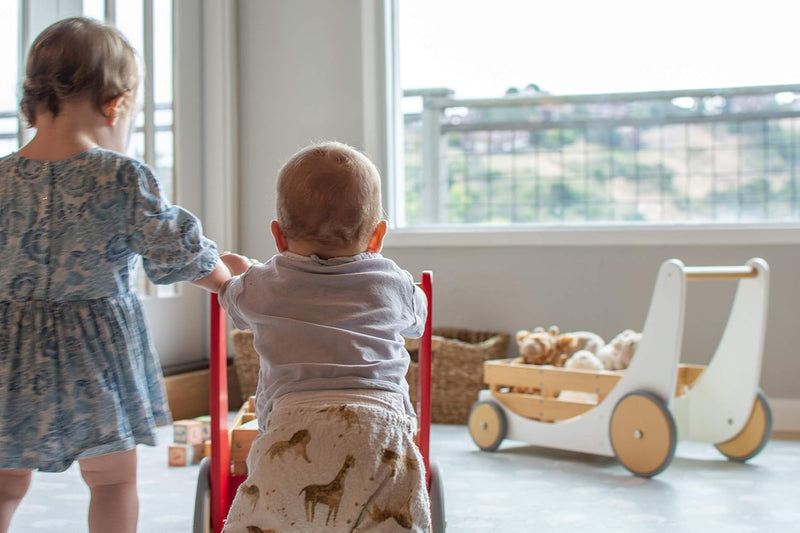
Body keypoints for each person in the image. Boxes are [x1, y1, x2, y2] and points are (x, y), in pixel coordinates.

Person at [0, 17, 238, 533]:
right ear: (115, 104)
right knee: (111, 481)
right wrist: (228, 279)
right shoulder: (120, 175)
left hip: (8, 356)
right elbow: (175, 247)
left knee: (4, 481)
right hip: (95, 359)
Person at [218, 141, 432, 532]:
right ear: (377, 236)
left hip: (292, 423)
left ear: (278, 237)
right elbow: (418, 321)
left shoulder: (264, 283)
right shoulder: (392, 282)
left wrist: (236, 272)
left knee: (270, 519)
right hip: (381, 431)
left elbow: (228, 292)